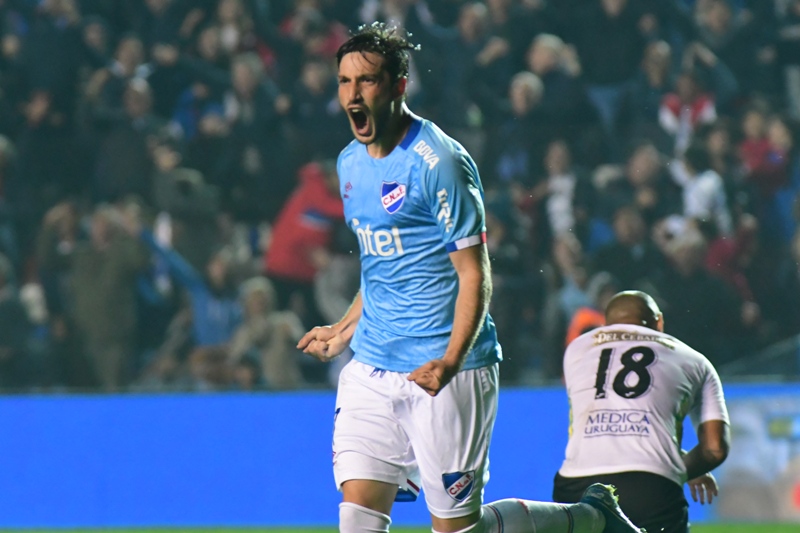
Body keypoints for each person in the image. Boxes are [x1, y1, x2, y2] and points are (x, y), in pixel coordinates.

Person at [298, 22, 643, 533]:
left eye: (366, 81)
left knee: (461, 530)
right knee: (357, 520)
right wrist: (344, 330)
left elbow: (474, 272)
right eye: (345, 82)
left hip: (446, 369)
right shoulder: (350, 164)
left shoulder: (439, 163)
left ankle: (590, 519)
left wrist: (450, 361)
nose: (353, 93)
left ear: (397, 86)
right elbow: (382, 267)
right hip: (372, 367)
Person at [553, 290, 731, 533]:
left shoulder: (577, 349)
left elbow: (613, 415)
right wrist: (679, 469)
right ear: (659, 321)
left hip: (576, 484)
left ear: (605, 324)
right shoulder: (695, 360)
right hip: (652, 488)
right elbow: (715, 448)